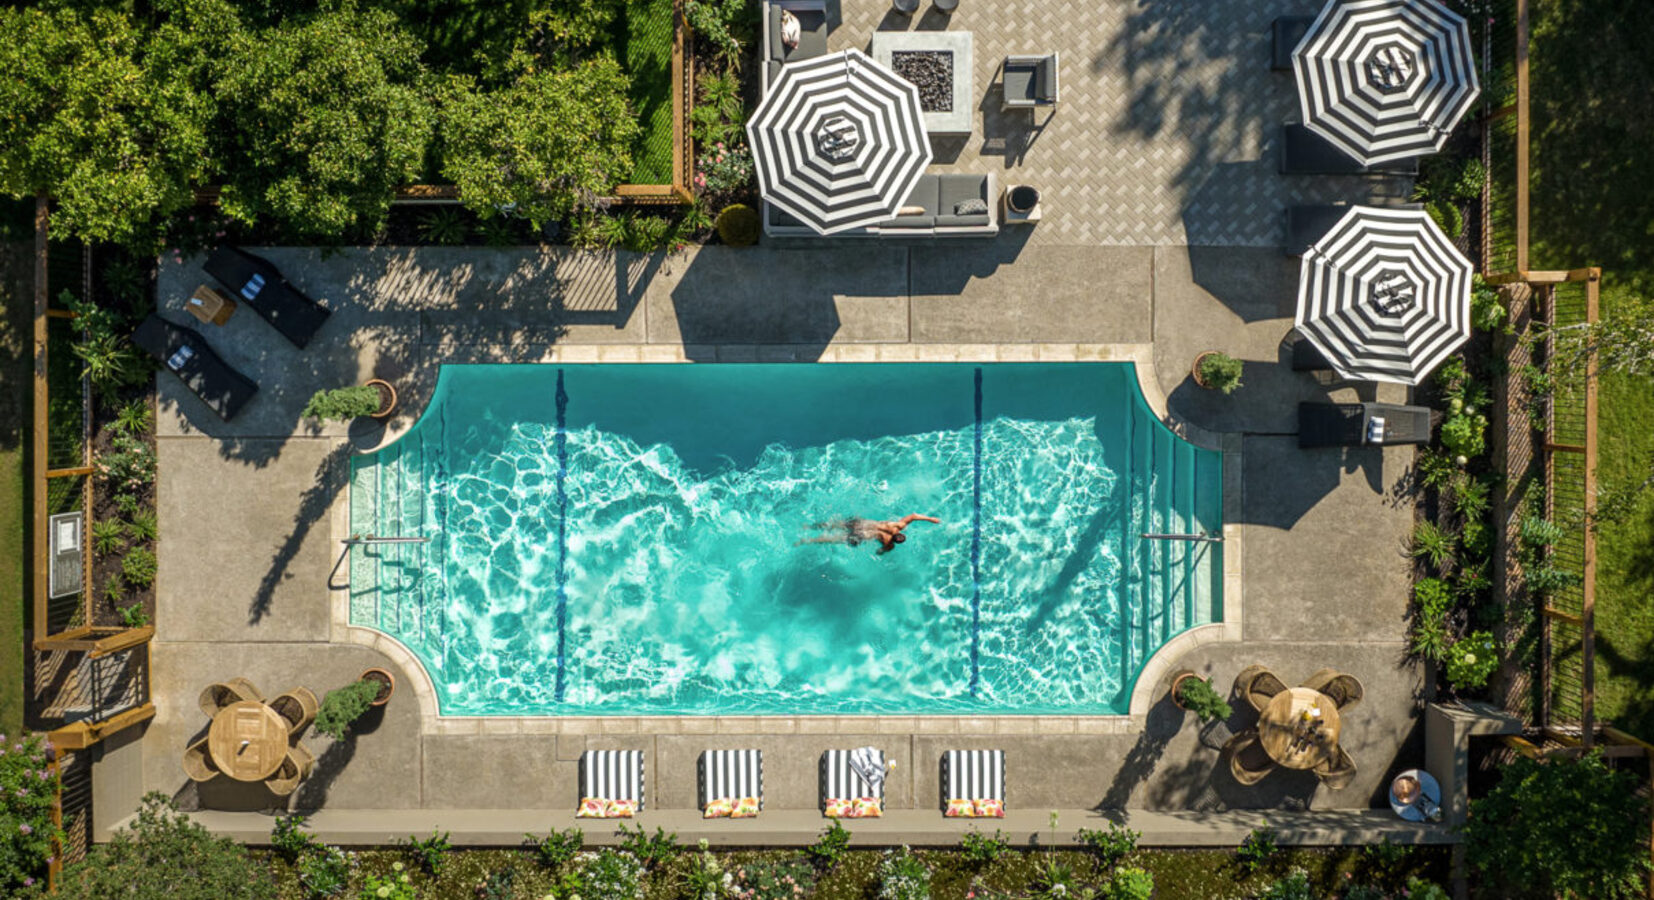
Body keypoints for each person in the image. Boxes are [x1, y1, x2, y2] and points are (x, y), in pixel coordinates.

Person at [800, 514, 940, 554]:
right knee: (836, 539)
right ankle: (810, 540)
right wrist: (881, 550)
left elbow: (914, 516)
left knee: (837, 524)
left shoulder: (897, 525)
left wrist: (930, 519)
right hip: (862, 535)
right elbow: (880, 551)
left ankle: (809, 526)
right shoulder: (889, 544)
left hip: (862, 524)